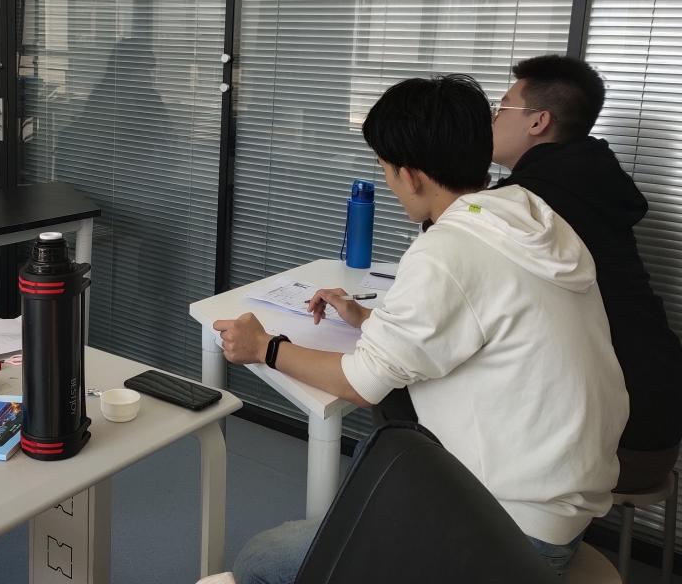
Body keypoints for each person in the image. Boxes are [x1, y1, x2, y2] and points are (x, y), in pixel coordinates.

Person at [214, 75, 627, 581]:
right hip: (561, 509)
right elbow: (478, 322)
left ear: (409, 175)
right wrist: (368, 317)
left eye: (385, 169)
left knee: (262, 561)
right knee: (384, 456)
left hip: (508, 530)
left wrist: (264, 347)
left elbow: (359, 384)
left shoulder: (448, 250)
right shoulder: (529, 215)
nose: (389, 184)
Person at [491, 54, 682, 493]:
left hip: (619, 440)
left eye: (502, 107)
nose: (493, 119)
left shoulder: (531, 200)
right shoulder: (588, 178)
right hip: (658, 415)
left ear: (538, 121)